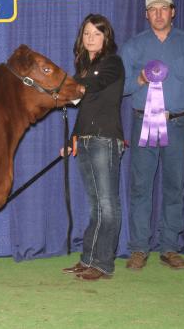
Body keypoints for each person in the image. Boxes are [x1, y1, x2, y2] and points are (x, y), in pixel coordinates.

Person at [121, 0, 184, 270]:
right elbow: (119, 88)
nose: (159, 13)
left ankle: (170, 247)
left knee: (175, 186)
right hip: (143, 122)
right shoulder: (133, 47)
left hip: (179, 123)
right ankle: (139, 248)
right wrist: (138, 78)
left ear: (173, 11)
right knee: (140, 187)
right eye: (153, 9)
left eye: (164, 8)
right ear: (146, 14)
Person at [61, 14, 125, 281]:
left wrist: (63, 88)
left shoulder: (112, 63)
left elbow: (91, 87)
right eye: (86, 33)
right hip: (87, 139)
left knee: (107, 205)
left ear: (106, 37)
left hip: (104, 138)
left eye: (96, 34)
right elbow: (83, 108)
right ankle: (88, 259)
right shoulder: (83, 68)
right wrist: (71, 140)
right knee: (95, 205)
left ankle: (103, 264)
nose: (90, 38)